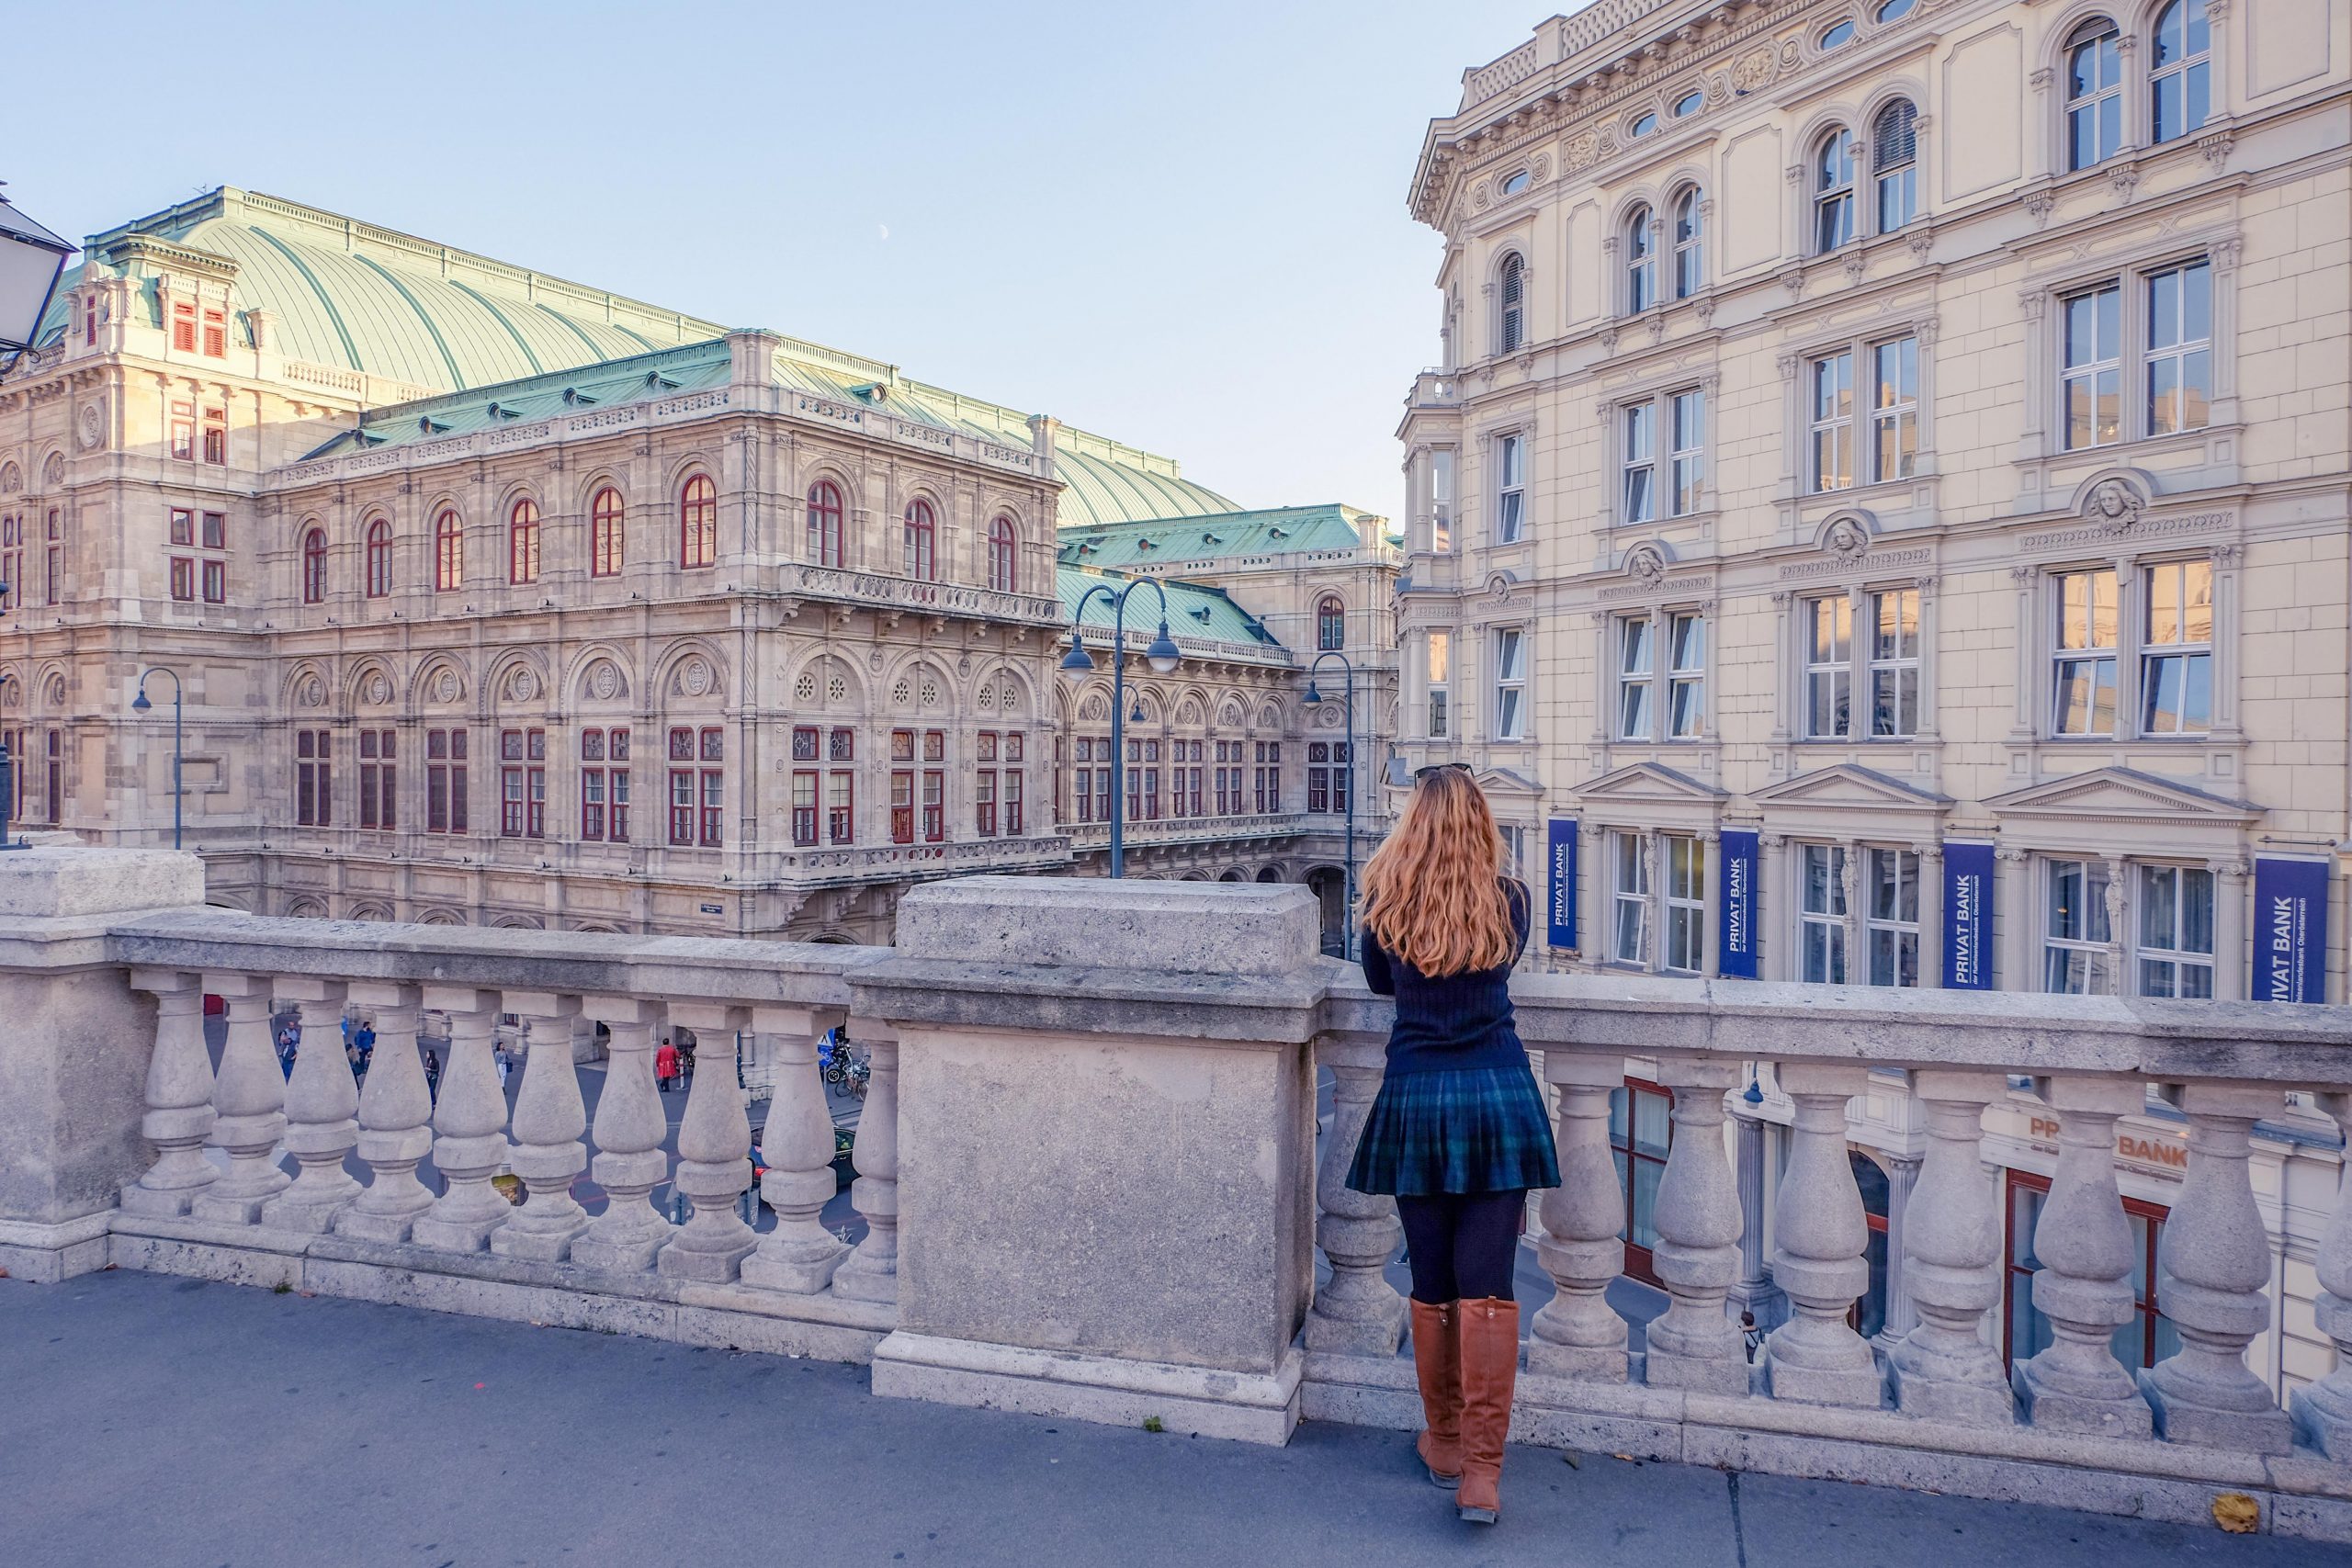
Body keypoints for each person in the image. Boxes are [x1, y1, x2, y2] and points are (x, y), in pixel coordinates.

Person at [1344, 764, 1557, 1528]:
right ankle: (1482, 1474)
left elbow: (1376, 984)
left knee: (1431, 1282)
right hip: (1496, 1098)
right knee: (1490, 1287)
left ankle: (1442, 1441)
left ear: (1413, 823)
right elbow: (1503, 963)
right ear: (1481, 823)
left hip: (1418, 1099)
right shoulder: (1512, 902)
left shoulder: (1387, 905)